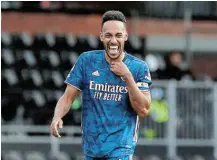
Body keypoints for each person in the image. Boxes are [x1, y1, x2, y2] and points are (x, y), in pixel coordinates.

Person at [50, 10, 152, 160]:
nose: (113, 40)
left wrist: (128, 76)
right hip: (91, 150)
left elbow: (143, 109)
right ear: (101, 36)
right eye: (109, 35)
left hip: (120, 150)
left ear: (125, 36)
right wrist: (57, 116)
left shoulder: (138, 67)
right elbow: (67, 98)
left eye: (118, 35)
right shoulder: (87, 61)